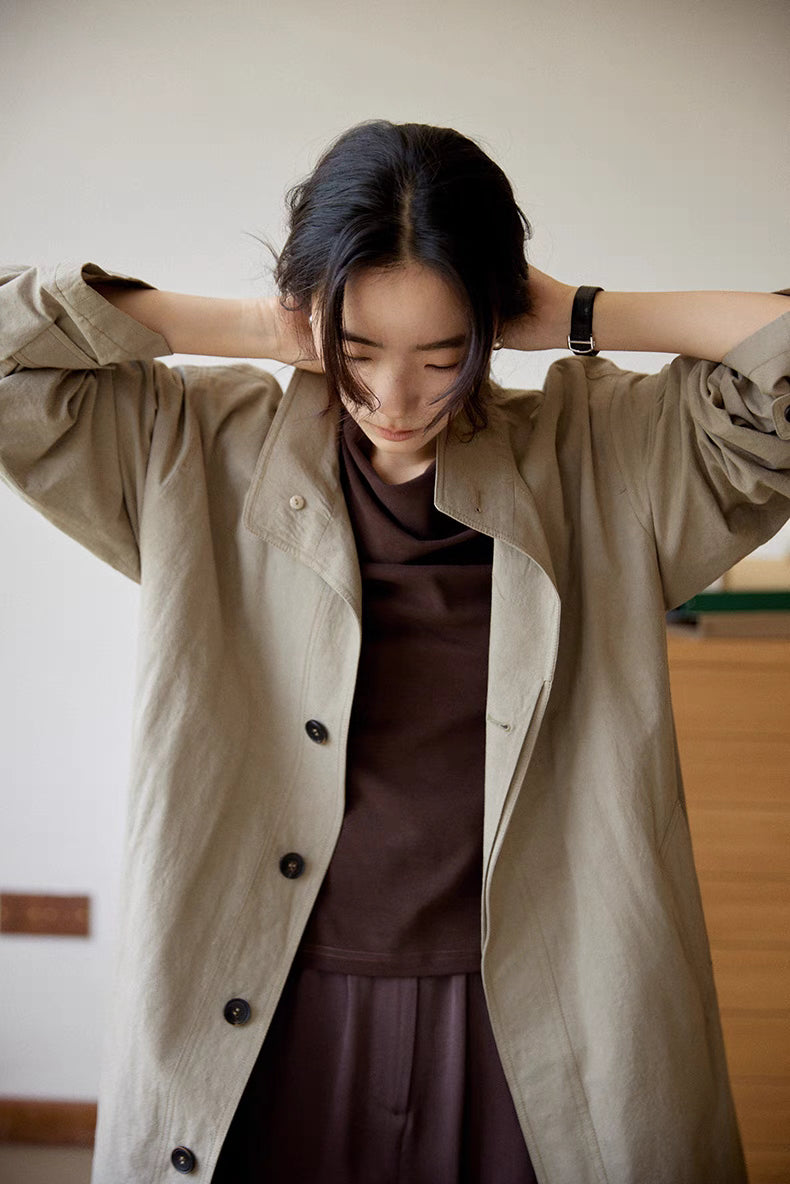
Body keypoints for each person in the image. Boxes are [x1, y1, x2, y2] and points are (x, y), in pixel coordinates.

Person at [1, 119, 789, 1184]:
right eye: (356, 350)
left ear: (494, 321)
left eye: (442, 352)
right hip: (269, 1005)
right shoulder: (187, 448)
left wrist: (583, 315)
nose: (395, 399)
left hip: (539, 1011)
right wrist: (248, 322)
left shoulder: (605, 456)